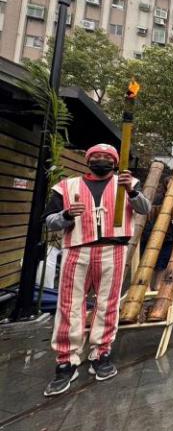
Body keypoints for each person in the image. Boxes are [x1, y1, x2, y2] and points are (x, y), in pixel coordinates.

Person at [42, 143, 151, 396]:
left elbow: (145, 209)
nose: (101, 159)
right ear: (88, 160)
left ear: (115, 161)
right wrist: (66, 215)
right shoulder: (66, 186)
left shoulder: (127, 182)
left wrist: (132, 191)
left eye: (106, 156)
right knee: (69, 304)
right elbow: (49, 221)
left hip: (113, 248)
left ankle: (101, 353)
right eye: (96, 156)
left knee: (107, 303)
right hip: (77, 248)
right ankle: (66, 360)